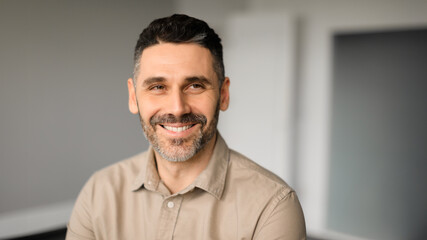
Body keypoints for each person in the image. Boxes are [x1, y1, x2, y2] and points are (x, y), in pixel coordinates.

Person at [66, 14, 306, 240]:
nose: (177, 108)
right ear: (133, 96)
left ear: (223, 94)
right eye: (158, 87)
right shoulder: (98, 192)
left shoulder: (272, 206)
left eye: (195, 86)